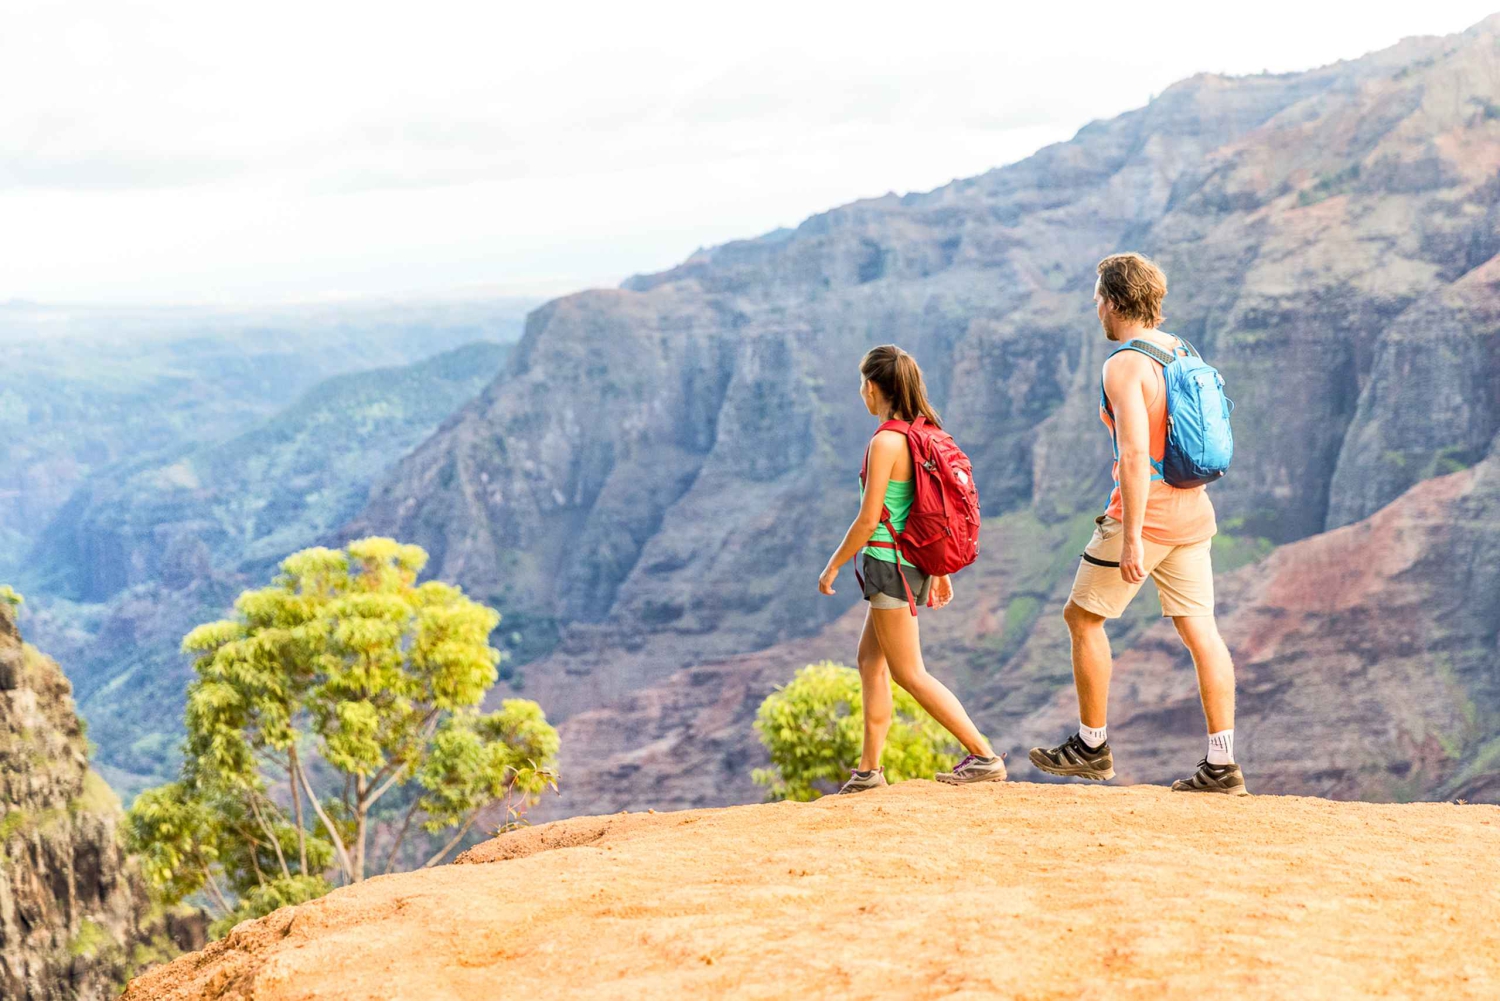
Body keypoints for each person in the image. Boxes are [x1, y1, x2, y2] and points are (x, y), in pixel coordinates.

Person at [1029, 253, 1247, 795]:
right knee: (1203, 633)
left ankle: (1091, 746)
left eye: (1097, 298)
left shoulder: (1124, 364)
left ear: (1112, 300)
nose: (1095, 308)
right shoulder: (1181, 350)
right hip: (1195, 515)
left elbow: (1132, 455)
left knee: (1081, 619)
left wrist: (1129, 539)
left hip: (1145, 517)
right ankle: (1222, 765)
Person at [818, 345, 1006, 793]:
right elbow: (925, 508)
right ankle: (869, 771)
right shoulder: (921, 435)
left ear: (871, 386)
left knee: (908, 671)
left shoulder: (885, 441)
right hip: (910, 564)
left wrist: (832, 567)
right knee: (869, 660)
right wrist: (937, 569)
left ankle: (983, 755)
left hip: (889, 567)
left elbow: (869, 520)